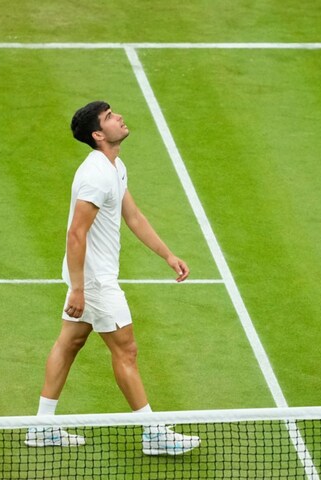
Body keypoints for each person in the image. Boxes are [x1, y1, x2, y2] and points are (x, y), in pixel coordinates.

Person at [24, 101, 200, 455]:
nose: (119, 117)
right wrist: (78, 288)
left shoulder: (114, 166)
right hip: (95, 281)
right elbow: (77, 233)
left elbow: (132, 215)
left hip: (91, 278)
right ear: (98, 135)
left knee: (69, 343)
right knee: (126, 350)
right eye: (109, 118)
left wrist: (167, 255)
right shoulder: (96, 176)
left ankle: (41, 428)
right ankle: (153, 433)